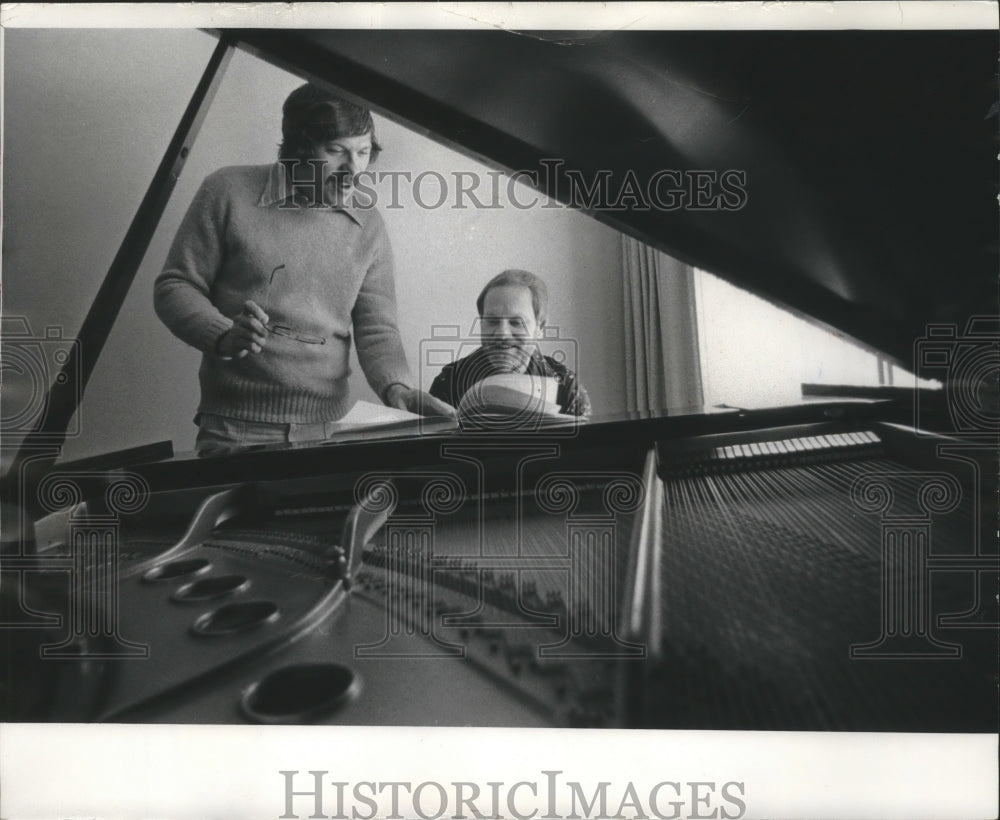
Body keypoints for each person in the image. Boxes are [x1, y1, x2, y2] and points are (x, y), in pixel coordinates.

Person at [154, 83, 453, 450]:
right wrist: (222, 334)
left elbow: (378, 329)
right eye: (336, 151)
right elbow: (175, 286)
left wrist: (398, 389)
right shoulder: (226, 189)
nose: (353, 168)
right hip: (234, 429)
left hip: (327, 432)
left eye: (362, 152)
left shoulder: (368, 222)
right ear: (298, 147)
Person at [429, 269, 591, 416]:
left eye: (516, 322)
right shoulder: (448, 382)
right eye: (492, 321)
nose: (502, 334)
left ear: (539, 327)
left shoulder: (566, 387)